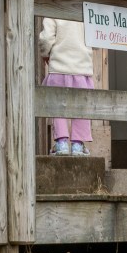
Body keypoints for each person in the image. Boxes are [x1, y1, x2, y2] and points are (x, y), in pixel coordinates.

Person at [39, 17, 94, 156]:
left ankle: (61, 143)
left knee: (58, 106)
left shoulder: (52, 11)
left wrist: (45, 53)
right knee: (82, 106)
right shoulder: (86, 10)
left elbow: (46, 38)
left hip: (59, 67)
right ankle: (77, 145)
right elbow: (97, 36)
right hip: (82, 68)